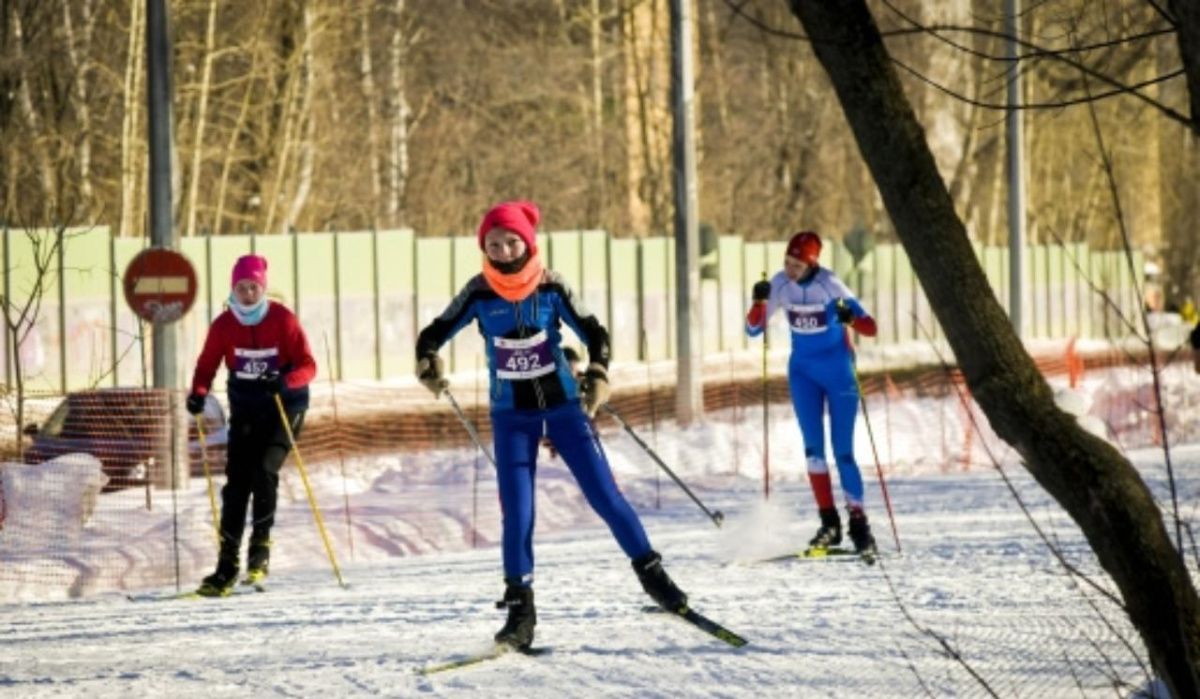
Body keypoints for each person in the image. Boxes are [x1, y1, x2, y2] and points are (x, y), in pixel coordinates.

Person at [415, 200, 688, 651]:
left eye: (510, 241)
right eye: (493, 244)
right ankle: (521, 611)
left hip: (563, 407)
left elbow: (594, 331)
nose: (502, 251)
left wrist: (598, 373)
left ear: (529, 241)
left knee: (605, 495)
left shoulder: (551, 284)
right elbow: (434, 332)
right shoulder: (479, 291)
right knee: (518, 514)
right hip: (511, 417)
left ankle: (654, 577)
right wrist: (427, 361)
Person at [187, 254, 317, 596]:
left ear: (263, 289)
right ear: (233, 289)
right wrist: (198, 394)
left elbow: (308, 365)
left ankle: (259, 551)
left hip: (284, 407)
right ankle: (226, 567)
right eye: (241, 288)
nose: (247, 294)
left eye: (254, 287)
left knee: (264, 469)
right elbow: (206, 367)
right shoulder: (223, 325)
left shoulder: (282, 319)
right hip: (246, 412)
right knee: (237, 485)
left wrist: (286, 381)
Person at [745, 231, 880, 557]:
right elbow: (753, 329)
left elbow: (871, 327)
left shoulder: (831, 285)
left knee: (843, 452)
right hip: (803, 374)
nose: (790, 269)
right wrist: (759, 302)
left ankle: (859, 525)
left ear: (812, 263)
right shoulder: (780, 284)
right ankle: (829, 523)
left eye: (797, 264)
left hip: (839, 375)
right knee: (813, 452)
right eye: (787, 263)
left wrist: (851, 318)